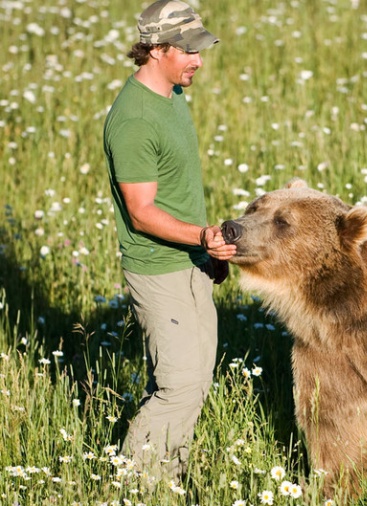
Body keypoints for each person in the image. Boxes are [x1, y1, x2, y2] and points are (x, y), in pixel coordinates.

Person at [102, 0, 235, 487]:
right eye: (188, 51)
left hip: (191, 260)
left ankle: (166, 477)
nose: (198, 60)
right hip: (159, 268)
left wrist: (206, 253)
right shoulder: (135, 120)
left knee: (194, 381)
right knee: (179, 388)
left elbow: (176, 192)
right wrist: (203, 237)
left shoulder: (172, 97)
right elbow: (141, 213)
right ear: (156, 49)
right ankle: (137, 487)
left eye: (200, 49)